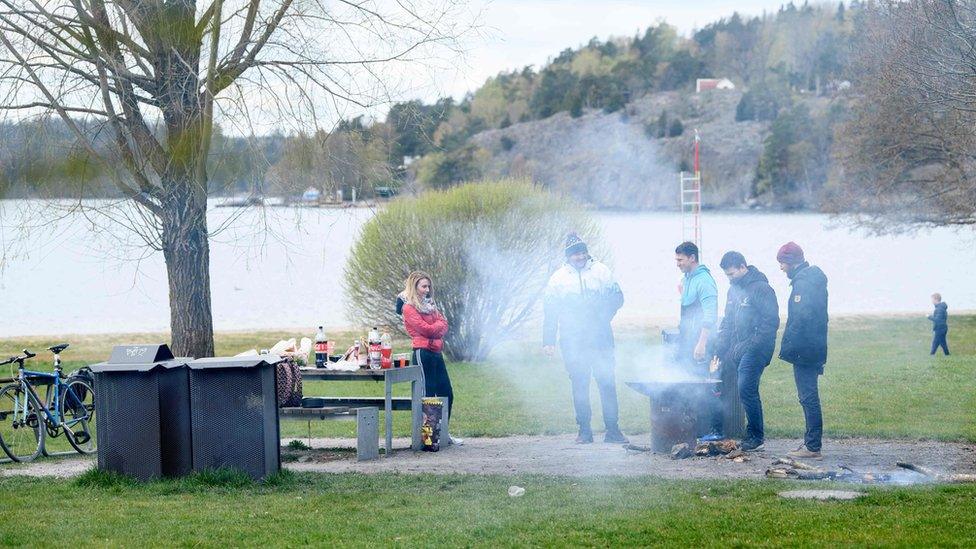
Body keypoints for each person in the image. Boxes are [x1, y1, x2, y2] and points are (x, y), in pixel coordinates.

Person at [543, 232, 629, 444]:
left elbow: (618, 297)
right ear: (567, 256)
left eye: (582, 252)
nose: (580, 257)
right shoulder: (558, 279)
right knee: (580, 385)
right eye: (575, 254)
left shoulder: (601, 271)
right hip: (572, 340)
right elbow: (550, 311)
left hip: (601, 337)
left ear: (587, 252)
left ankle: (613, 430)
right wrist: (548, 341)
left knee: (607, 382)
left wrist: (603, 315)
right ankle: (584, 431)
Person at [713, 251, 779, 452]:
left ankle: (756, 436)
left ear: (743, 267)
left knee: (746, 387)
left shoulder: (762, 289)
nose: (730, 279)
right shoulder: (733, 291)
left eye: (732, 274)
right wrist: (720, 347)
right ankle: (725, 429)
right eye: (727, 275)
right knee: (735, 387)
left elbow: (770, 324)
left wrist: (749, 344)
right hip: (737, 347)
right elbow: (728, 322)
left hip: (758, 348)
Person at [776, 242, 828, 460]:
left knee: (808, 397)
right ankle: (810, 442)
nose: (781, 268)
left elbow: (801, 318)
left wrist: (790, 347)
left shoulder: (804, 283)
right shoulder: (809, 279)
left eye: (782, 263)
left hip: (806, 349)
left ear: (791, 262)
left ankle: (813, 447)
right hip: (813, 346)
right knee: (808, 396)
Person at [674, 241, 723, 440]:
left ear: (692, 258)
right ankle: (695, 428)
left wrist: (701, 343)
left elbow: (710, 316)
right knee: (690, 384)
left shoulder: (704, 281)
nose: (677, 263)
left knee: (706, 385)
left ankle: (715, 430)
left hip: (702, 342)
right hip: (688, 341)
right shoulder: (687, 279)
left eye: (680, 259)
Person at [400, 271, 457, 422]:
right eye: (424, 286)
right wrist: (436, 327)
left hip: (436, 352)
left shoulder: (430, 305)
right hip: (422, 353)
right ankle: (428, 437)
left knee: (446, 393)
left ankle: (442, 433)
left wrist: (435, 327)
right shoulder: (408, 308)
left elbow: (444, 324)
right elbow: (425, 329)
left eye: (428, 286)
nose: (427, 290)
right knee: (428, 394)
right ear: (414, 287)